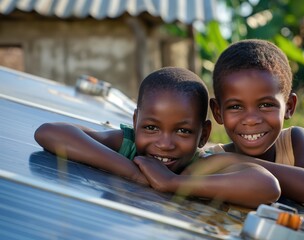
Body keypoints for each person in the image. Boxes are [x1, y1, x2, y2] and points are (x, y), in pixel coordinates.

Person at [34, 66, 280, 208]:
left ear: (203, 135)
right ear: (135, 122)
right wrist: (133, 172)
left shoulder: (201, 166)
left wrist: (173, 183)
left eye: (183, 131)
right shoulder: (128, 145)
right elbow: (49, 132)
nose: (164, 143)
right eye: (151, 128)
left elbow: (267, 186)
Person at [204, 39, 304, 212]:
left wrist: (236, 160)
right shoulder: (210, 162)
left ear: (289, 107)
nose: (251, 120)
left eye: (266, 105)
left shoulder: (293, 141)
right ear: (218, 112)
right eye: (236, 107)